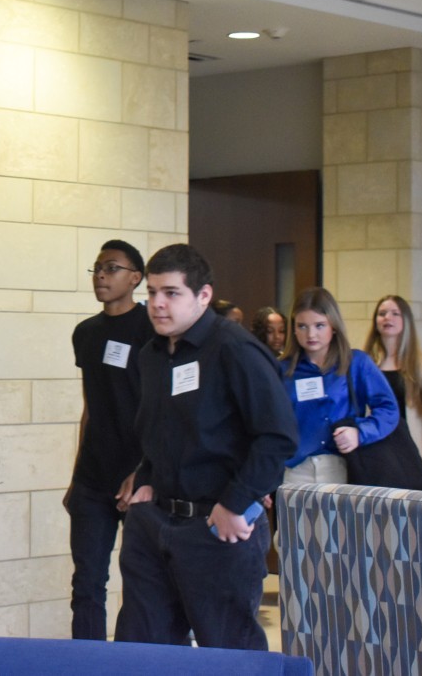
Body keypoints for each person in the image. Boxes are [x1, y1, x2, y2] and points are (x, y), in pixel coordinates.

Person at [114, 244, 297, 650]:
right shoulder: (152, 355)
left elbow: (277, 435)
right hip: (154, 524)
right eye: (153, 292)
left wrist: (236, 503)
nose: (158, 304)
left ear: (204, 296)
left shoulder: (235, 349)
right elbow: (159, 431)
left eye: (172, 293)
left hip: (217, 528)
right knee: (142, 649)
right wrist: (146, 478)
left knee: (226, 651)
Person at [65, 239, 153, 640]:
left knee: (143, 587)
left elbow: (162, 410)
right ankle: (88, 665)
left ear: (135, 278)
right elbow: (90, 407)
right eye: (97, 268)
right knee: (86, 585)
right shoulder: (85, 332)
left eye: (112, 268)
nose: (101, 275)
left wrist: (143, 471)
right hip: (93, 478)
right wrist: (75, 478)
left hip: (141, 477)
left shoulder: (151, 327)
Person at [280, 287, 398, 485]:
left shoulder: (357, 362)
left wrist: (361, 432)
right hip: (296, 469)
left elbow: (388, 409)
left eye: (319, 325)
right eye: (302, 326)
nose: (311, 334)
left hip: (344, 466)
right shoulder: (282, 369)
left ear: (333, 326)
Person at [364, 295, 422, 466]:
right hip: (377, 449)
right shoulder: (366, 365)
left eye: (395, 313)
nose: (387, 318)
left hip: (412, 448)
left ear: (406, 320)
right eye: (382, 313)